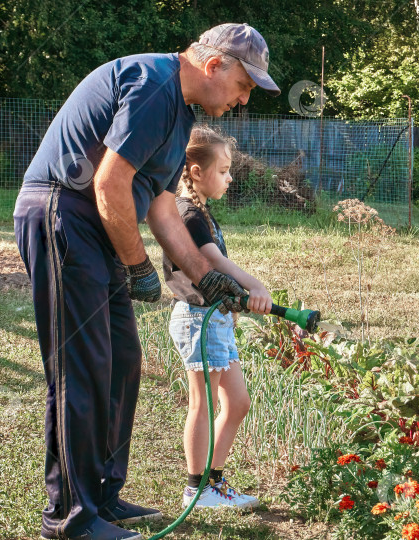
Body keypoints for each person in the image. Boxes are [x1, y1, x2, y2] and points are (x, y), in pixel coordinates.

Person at [13, 23, 280, 540]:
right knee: (83, 368)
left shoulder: (179, 115)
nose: (245, 100)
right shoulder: (156, 86)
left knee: (121, 362)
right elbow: (109, 182)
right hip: (64, 215)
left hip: (97, 226)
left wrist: (207, 277)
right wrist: (138, 267)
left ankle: (103, 497)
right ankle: (71, 519)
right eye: (245, 85)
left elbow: (160, 207)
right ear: (214, 66)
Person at [163, 125, 272, 510]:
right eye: (224, 170)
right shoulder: (186, 212)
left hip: (215, 318)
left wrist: (236, 302)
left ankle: (215, 482)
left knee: (237, 402)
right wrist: (255, 286)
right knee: (203, 404)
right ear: (195, 171)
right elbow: (212, 261)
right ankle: (196, 489)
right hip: (196, 318)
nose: (229, 177)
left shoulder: (201, 213)